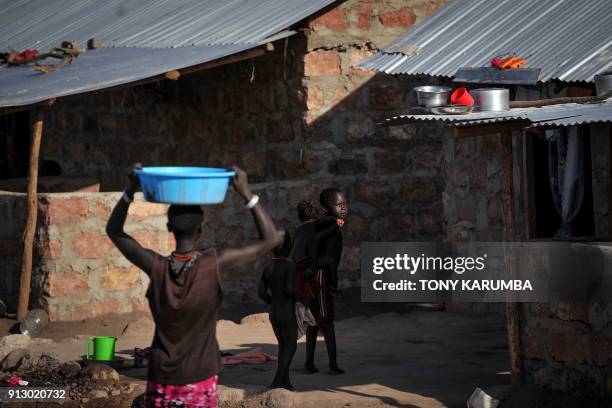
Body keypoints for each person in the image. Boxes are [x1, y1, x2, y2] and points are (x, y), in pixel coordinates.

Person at [106, 164, 279, 408]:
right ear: (201, 230)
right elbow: (271, 239)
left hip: (161, 378)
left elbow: (114, 230)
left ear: (169, 228)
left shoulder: (157, 268)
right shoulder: (212, 265)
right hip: (200, 379)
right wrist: (245, 192)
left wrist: (130, 190)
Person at [303, 188, 348, 375]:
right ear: (325, 207)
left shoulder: (330, 222)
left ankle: (309, 364)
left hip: (319, 276)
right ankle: (332, 365)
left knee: (314, 321)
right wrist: (332, 285)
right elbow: (327, 257)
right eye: (339, 205)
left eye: (345, 203)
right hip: (322, 277)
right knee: (326, 321)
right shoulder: (330, 224)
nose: (344, 208)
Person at [258, 229, 309, 391]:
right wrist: (303, 298)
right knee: (291, 346)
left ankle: (285, 381)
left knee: (283, 346)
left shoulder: (268, 267)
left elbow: (261, 292)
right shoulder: (289, 266)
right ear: (290, 246)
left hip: (274, 311)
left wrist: (272, 301)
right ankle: (278, 379)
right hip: (287, 311)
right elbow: (289, 289)